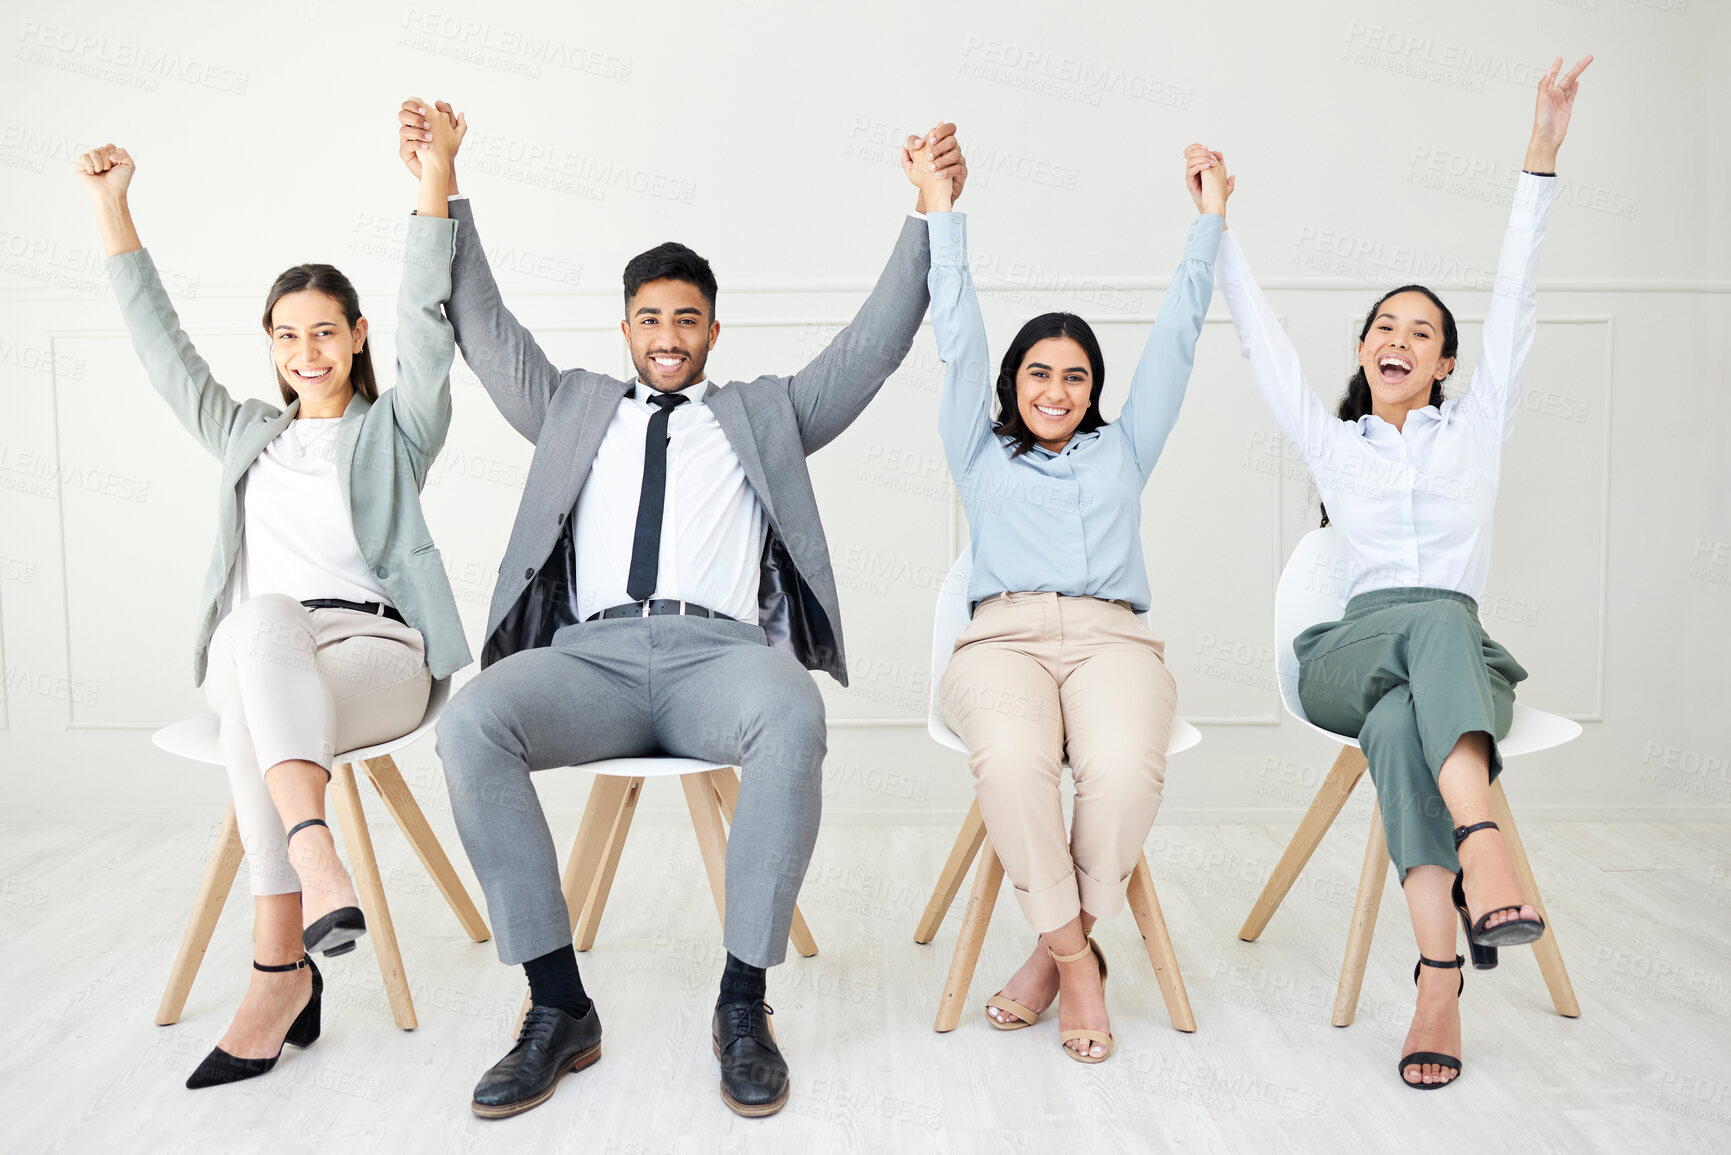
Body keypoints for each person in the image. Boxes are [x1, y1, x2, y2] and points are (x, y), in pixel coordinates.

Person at [393, 99, 968, 1118]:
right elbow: (480, 323)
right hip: (591, 662)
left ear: (713, 328)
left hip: (719, 660)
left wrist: (927, 209)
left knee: (792, 713)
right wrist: (439, 182)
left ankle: (743, 1005)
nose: (668, 337)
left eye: (687, 319)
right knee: (476, 719)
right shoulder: (570, 404)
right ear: (626, 330)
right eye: (650, 319)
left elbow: (873, 345)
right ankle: (557, 1005)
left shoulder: (765, 413)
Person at [1211, 55, 1592, 1088]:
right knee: (1429, 628)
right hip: (1347, 649)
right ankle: (1485, 839)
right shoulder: (1336, 445)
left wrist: (1541, 154)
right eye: (1384, 327)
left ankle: (1436, 979)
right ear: (1366, 351)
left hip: (1441, 668)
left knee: (1405, 708)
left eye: (1421, 332)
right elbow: (1261, 345)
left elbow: (1516, 290)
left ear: (1446, 365)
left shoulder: (1480, 429)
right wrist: (1218, 227)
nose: (1398, 338)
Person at [75, 107, 471, 1090]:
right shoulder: (245, 434)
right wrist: (113, 209)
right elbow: (160, 346)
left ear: (354, 336)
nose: (307, 350)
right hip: (263, 660)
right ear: (270, 343)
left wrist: (434, 179)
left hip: (374, 660)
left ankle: (274, 969)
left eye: (326, 332)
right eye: (288, 335)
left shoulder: (397, 431)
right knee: (258, 627)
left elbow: (428, 323)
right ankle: (313, 857)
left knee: (261, 678)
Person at [911, 139, 1227, 1062]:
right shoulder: (978, 446)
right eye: (1040, 373)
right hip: (999, 643)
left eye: (1076, 375)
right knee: (1011, 765)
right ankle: (1078, 960)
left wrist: (1206, 224)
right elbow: (958, 334)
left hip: (1112, 643)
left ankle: (1052, 954)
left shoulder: (1123, 448)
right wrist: (942, 213)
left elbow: (1176, 338)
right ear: (1013, 384)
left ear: (1093, 391)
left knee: (1125, 768)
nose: (1056, 389)